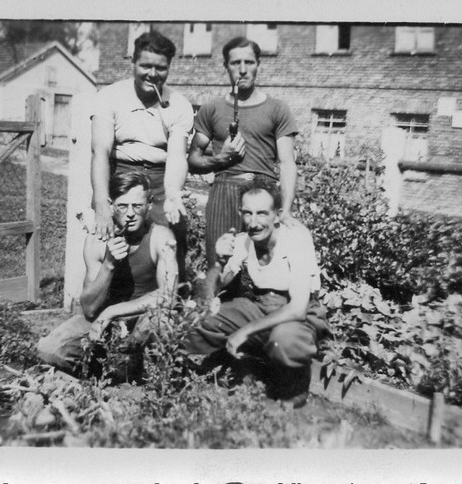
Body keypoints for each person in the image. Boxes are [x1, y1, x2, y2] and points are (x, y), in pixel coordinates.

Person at [185, 180, 328, 408]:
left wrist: (244, 331)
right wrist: (219, 262)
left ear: (277, 215)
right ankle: (229, 365)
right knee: (200, 320)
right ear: (240, 213)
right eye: (248, 213)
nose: (254, 222)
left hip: (300, 313)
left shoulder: (296, 238)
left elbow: (298, 308)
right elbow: (211, 293)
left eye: (262, 213)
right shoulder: (243, 241)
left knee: (284, 341)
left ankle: (295, 385)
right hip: (261, 306)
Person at [38, 172, 178, 375]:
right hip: (103, 325)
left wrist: (111, 312)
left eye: (137, 206)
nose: (130, 213)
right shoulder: (97, 240)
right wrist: (109, 265)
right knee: (49, 349)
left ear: (149, 205)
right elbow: (89, 308)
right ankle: (113, 368)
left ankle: (148, 375)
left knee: (161, 322)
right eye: (123, 206)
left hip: (142, 318)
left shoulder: (160, 237)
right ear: (112, 206)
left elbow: (169, 297)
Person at [187, 36, 299, 268]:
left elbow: (287, 163)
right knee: (219, 265)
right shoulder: (211, 109)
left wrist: (285, 211)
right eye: (235, 63)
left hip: (263, 193)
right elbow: (193, 159)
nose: (242, 70)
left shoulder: (277, 109)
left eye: (249, 62)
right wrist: (221, 158)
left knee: (266, 266)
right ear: (226, 66)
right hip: (224, 192)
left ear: (258, 64)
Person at [90, 30, 193, 277]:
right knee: (111, 241)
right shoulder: (109, 96)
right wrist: (102, 200)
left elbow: (178, 156)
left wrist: (172, 193)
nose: (153, 74)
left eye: (161, 68)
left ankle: (166, 305)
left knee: (169, 242)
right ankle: (110, 303)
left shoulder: (180, 104)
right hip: (121, 177)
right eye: (145, 65)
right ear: (133, 63)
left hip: (160, 180)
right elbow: (100, 152)